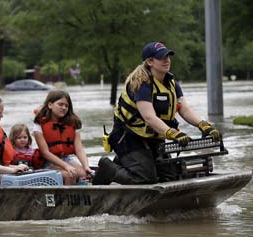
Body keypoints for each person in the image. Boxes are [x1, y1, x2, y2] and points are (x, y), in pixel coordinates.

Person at [92, 42, 221, 185]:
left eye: (168, 57)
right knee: (145, 179)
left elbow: (184, 109)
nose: (167, 61)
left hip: (153, 137)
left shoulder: (172, 83)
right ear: (150, 61)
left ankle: (126, 162)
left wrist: (204, 125)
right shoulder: (141, 84)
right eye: (162, 58)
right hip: (128, 138)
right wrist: (172, 133)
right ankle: (107, 167)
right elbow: (149, 117)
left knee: (171, 177)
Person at [32, 90, 92, 185]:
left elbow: (79, 150)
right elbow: (45, 153)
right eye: (60, 104)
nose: (64, 108)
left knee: (82, 173)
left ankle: (77, 194)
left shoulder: (72, 123)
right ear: (50, 105)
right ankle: (67, 199)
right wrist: (67, 166)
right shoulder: (39, 125)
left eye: (66, 106)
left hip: (66, 158)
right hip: (47, 162)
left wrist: (86, 166)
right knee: (70, 174)